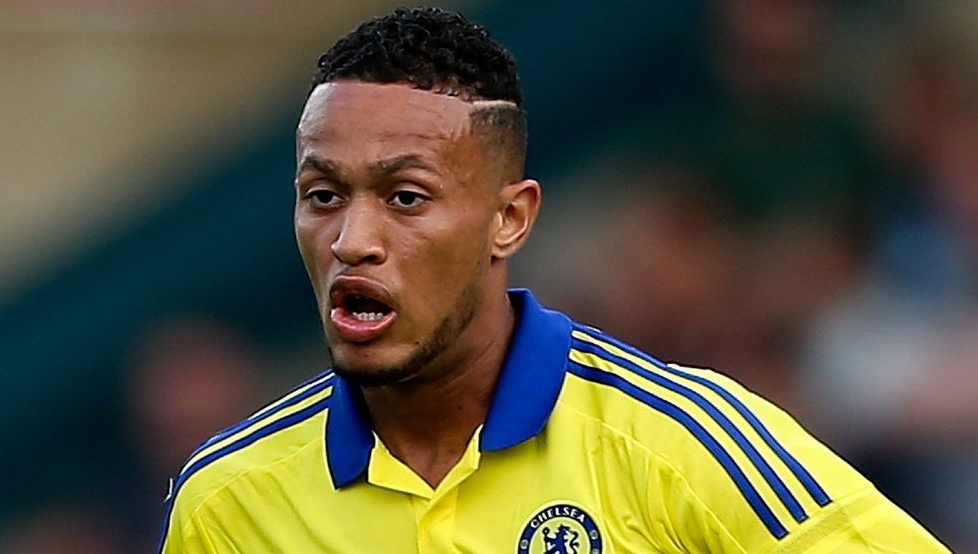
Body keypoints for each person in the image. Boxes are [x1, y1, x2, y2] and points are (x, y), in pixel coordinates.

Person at [158, 7, 949, 553]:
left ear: (510, 219)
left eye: (406, 197)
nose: (352, 240)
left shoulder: (684, 443)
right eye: (323, 196)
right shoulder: (229, 501)